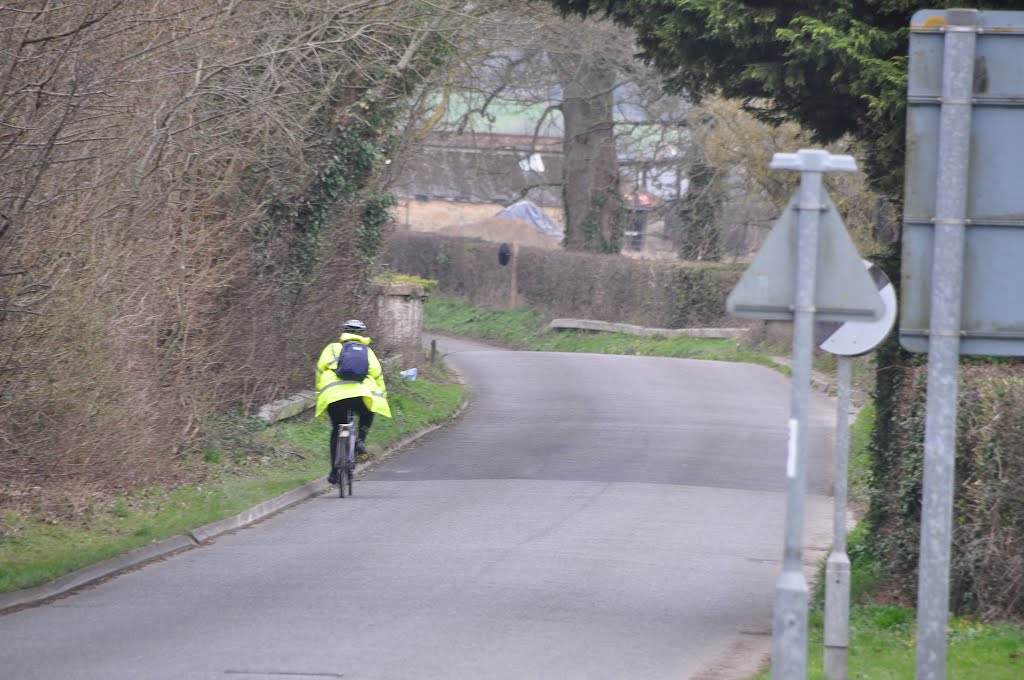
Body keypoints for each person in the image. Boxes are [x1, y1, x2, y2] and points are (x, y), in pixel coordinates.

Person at [315, 319, 391, 483]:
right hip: (360, 396)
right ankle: (360, 441)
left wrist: (321, 390)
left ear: (343, 333)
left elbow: (320, 369)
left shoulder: (332, 348)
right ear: (362, 335)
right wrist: (382, 396)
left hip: (335, 397)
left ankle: (334, 472)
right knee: (367, 412)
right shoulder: (367, 351)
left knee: (337, 429)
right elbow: (377, 375)